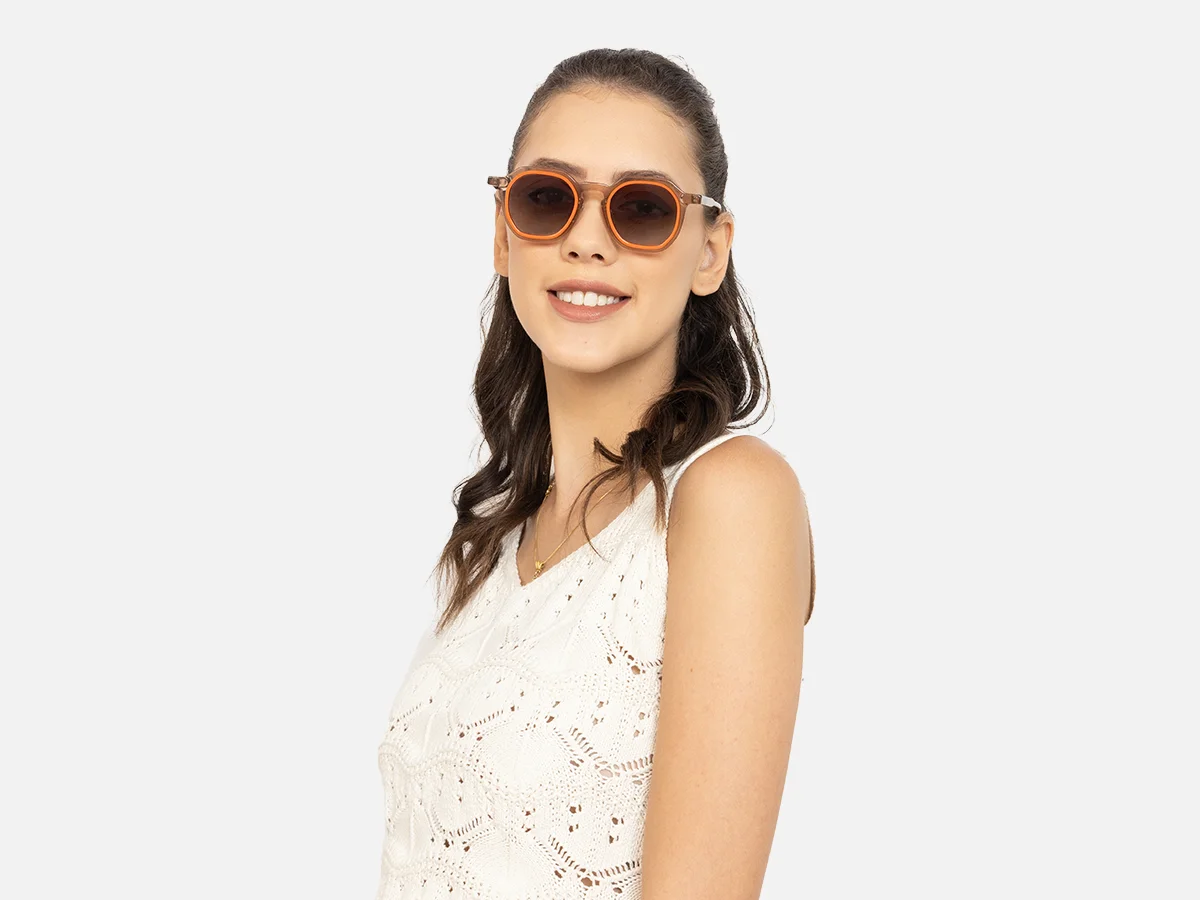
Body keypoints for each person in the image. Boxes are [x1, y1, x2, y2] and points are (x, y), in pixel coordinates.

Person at [376, 48, 814, 900]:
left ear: (710, 251)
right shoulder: (499, 536)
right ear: (504, 232)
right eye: (548, 198)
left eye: (642, 209)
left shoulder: (730, 498)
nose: (586, 240)